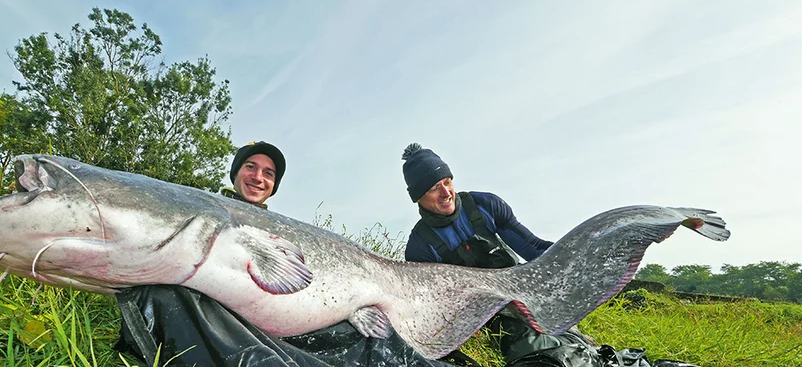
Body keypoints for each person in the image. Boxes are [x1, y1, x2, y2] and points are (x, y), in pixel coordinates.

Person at [115, 141, 453, 367]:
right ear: (236, 173)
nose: (258, 177)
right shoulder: (201, 210)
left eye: (269, 173)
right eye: (250, 167)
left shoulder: (287, 230)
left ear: (274, 185)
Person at [400, 143, 592, 366]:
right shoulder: (419, 247)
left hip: (522, 291)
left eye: (447, 182)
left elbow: (533, 247)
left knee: (575, 343)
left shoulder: (485, 204)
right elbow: (436, 307)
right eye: (434, 188)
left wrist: (574, 258)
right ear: (418, 197)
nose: (446, 193)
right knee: (537, 352)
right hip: (487, 315)